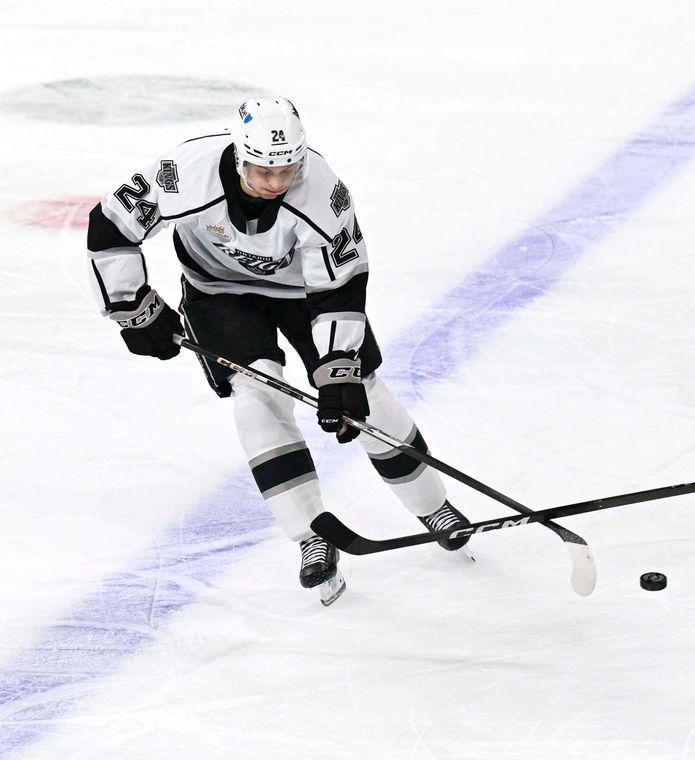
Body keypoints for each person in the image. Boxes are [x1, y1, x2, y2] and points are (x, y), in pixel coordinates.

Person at [85, 97, 472, 604]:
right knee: (255, 395)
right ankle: (312, 536)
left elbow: (340, 286)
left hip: (304, 295)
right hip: (219, 294)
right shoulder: (183, 173)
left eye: (288, 168)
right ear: (239, 156)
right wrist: (132, 307)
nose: (276, 182)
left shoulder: (324, 194)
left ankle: (433, 505)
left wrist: (339, 371)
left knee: (364, 395)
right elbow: (110, 225)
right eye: (264, 171)